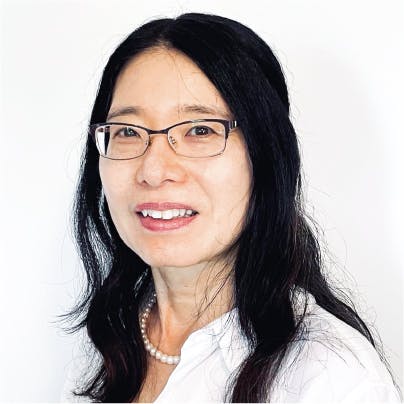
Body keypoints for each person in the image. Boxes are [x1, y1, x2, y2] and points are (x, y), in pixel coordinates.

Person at [60, 13, 401, 403]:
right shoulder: (108, 340)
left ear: (265, 155)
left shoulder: (330, 379)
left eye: (200, 130)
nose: (153, 171)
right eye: (127, 132)